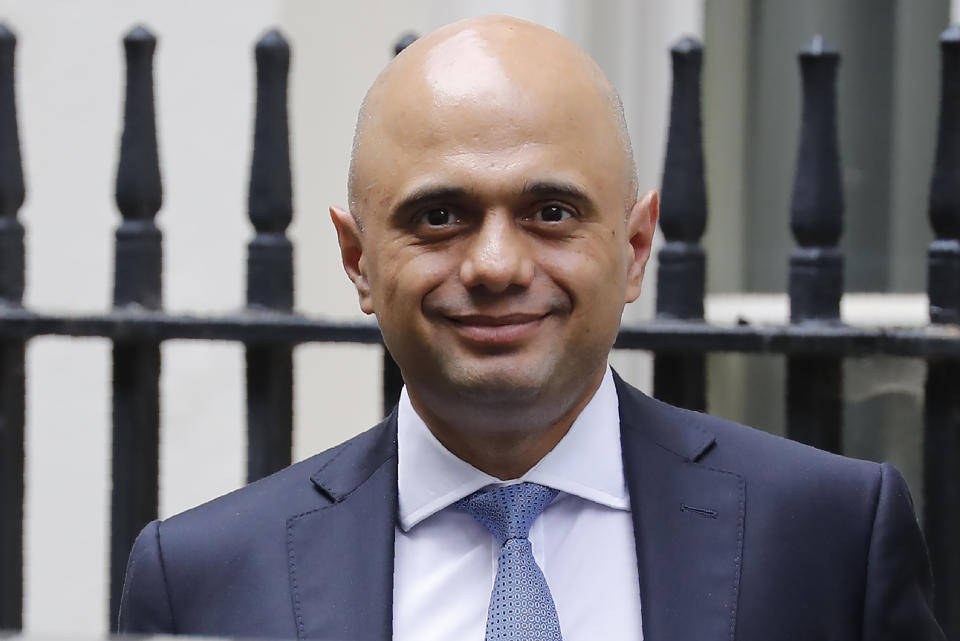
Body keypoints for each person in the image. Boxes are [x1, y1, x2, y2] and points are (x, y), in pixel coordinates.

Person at [119, 15, 945, 641]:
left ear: (633, 247)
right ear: (358, 257)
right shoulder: (201, 580)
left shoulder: (827, 537)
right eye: (439, 216)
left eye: (551, 212)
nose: (496, 265)